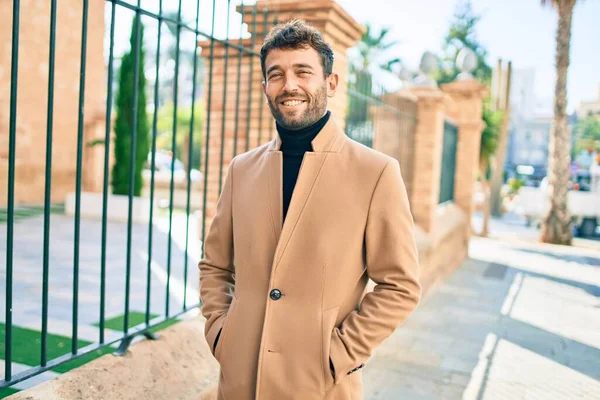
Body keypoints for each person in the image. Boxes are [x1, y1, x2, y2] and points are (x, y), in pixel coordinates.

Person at [199, 19, 421, 400]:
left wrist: (339, 354)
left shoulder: (377, 172)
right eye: (276, 74)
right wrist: (221, 332)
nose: (290, 85)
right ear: (265, 86)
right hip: (239, 383)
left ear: (330, 83)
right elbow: (215, 265)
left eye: (303, 72)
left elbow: (400, 285)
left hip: (320, 386)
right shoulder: (241, 170)